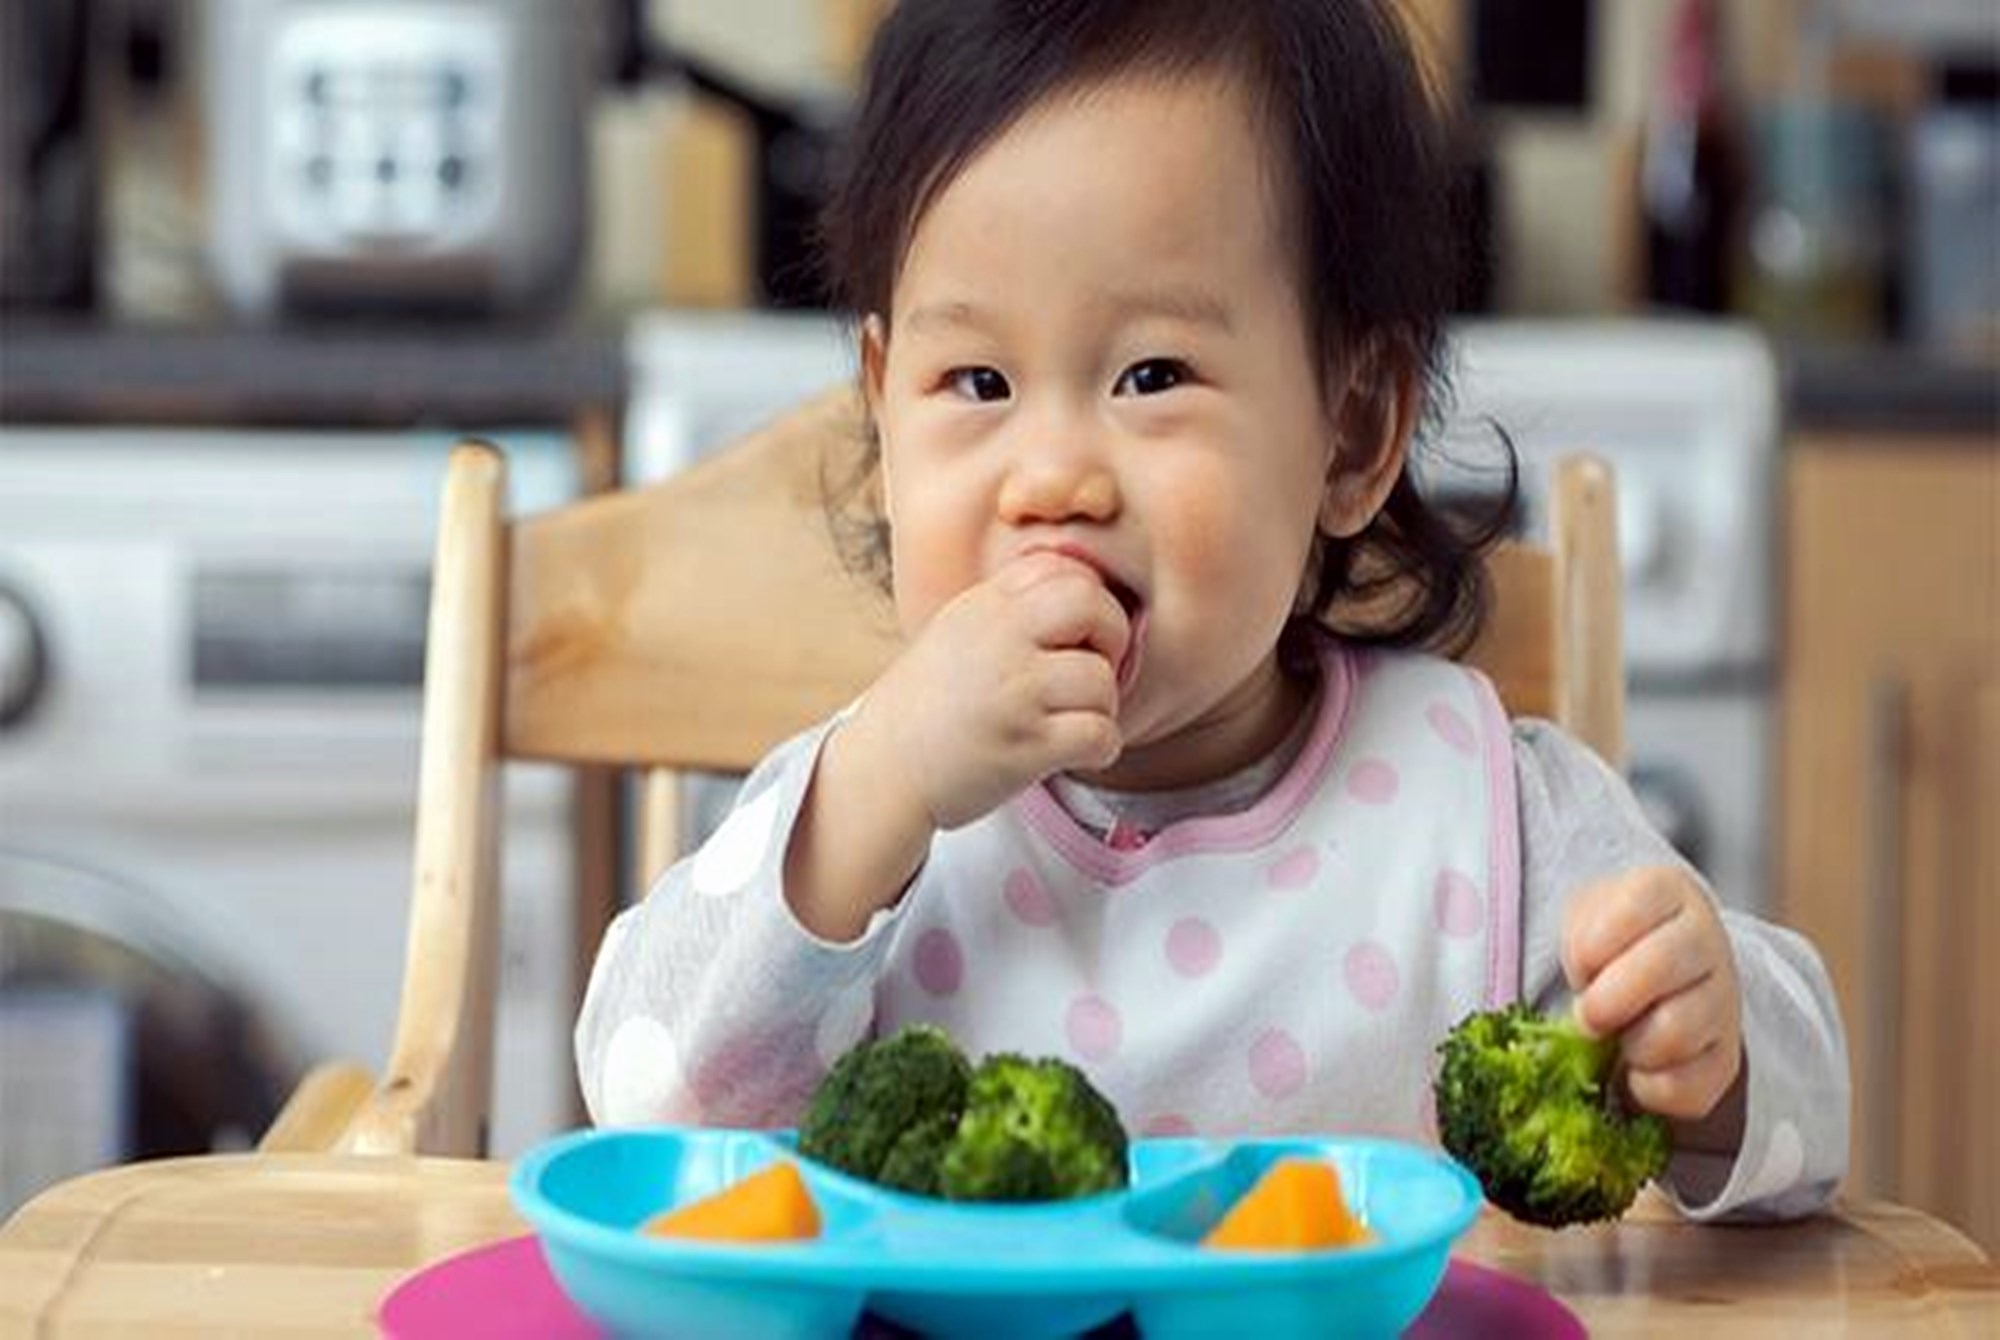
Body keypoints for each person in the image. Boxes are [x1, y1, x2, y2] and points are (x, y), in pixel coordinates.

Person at [577, 0, 1847, 1221]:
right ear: (881, 410)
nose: (1053, 475)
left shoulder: (1482, 809)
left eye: (1151, 374)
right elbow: (643, 1091)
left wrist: (1712, 1050)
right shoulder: (861, 816)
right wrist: (872, 789)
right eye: (975, 379)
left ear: (1350, 431)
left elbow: (1810, 1132)